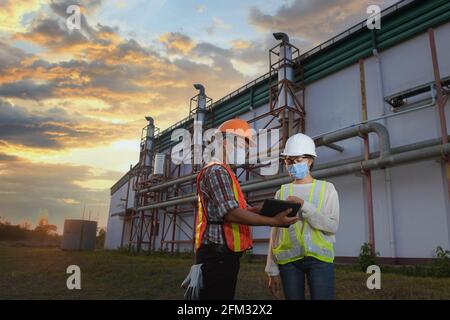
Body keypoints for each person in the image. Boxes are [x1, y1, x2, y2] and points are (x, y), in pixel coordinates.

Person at [183, 118, 298, 300]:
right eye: (243, 145)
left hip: (224, 256)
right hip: (217, 256)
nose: (245, 151)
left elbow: (237, 209)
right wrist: (273, 221)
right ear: (227, 141)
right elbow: (232, 214)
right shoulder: (217, 171)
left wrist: (263, 210)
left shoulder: (225, 172)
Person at [265, 133, 340, 300]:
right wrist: (271, 269)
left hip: (319, 259)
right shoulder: (282, 192)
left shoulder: (327, 189)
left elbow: (332, 226)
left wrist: (304, 206)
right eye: (288, 161)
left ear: (310, 161)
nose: (292, 165)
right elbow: (275, 233)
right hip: (288, 261)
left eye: (297, 161)